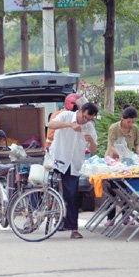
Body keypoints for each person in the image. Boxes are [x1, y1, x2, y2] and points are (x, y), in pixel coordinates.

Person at [48, 102, 98, 239]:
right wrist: (69, 125)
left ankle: (73, 228)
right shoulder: (66, 115)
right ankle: (33, 219)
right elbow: (50, 124)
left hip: (73, 163)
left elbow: (93, 149)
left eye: (89, 119)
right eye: (84, 117)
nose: (85, 120)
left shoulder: (89, 127)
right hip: (57, 158)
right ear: (80, 110)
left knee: (72, 195)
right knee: (45, 188)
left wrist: (91, 141)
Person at [105, 106, 139, 226]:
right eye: (128, 122)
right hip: (113, 161)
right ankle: (110, 218)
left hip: (127, 162)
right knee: (112, 190)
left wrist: (138, 150)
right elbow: (111, 145)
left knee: (126, 190)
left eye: (132, 122)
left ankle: (126, 216)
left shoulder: (135, 129)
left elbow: (137, 143)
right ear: (122, 118)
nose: (130, 124)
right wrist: (119, 155)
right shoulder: (114, 128)